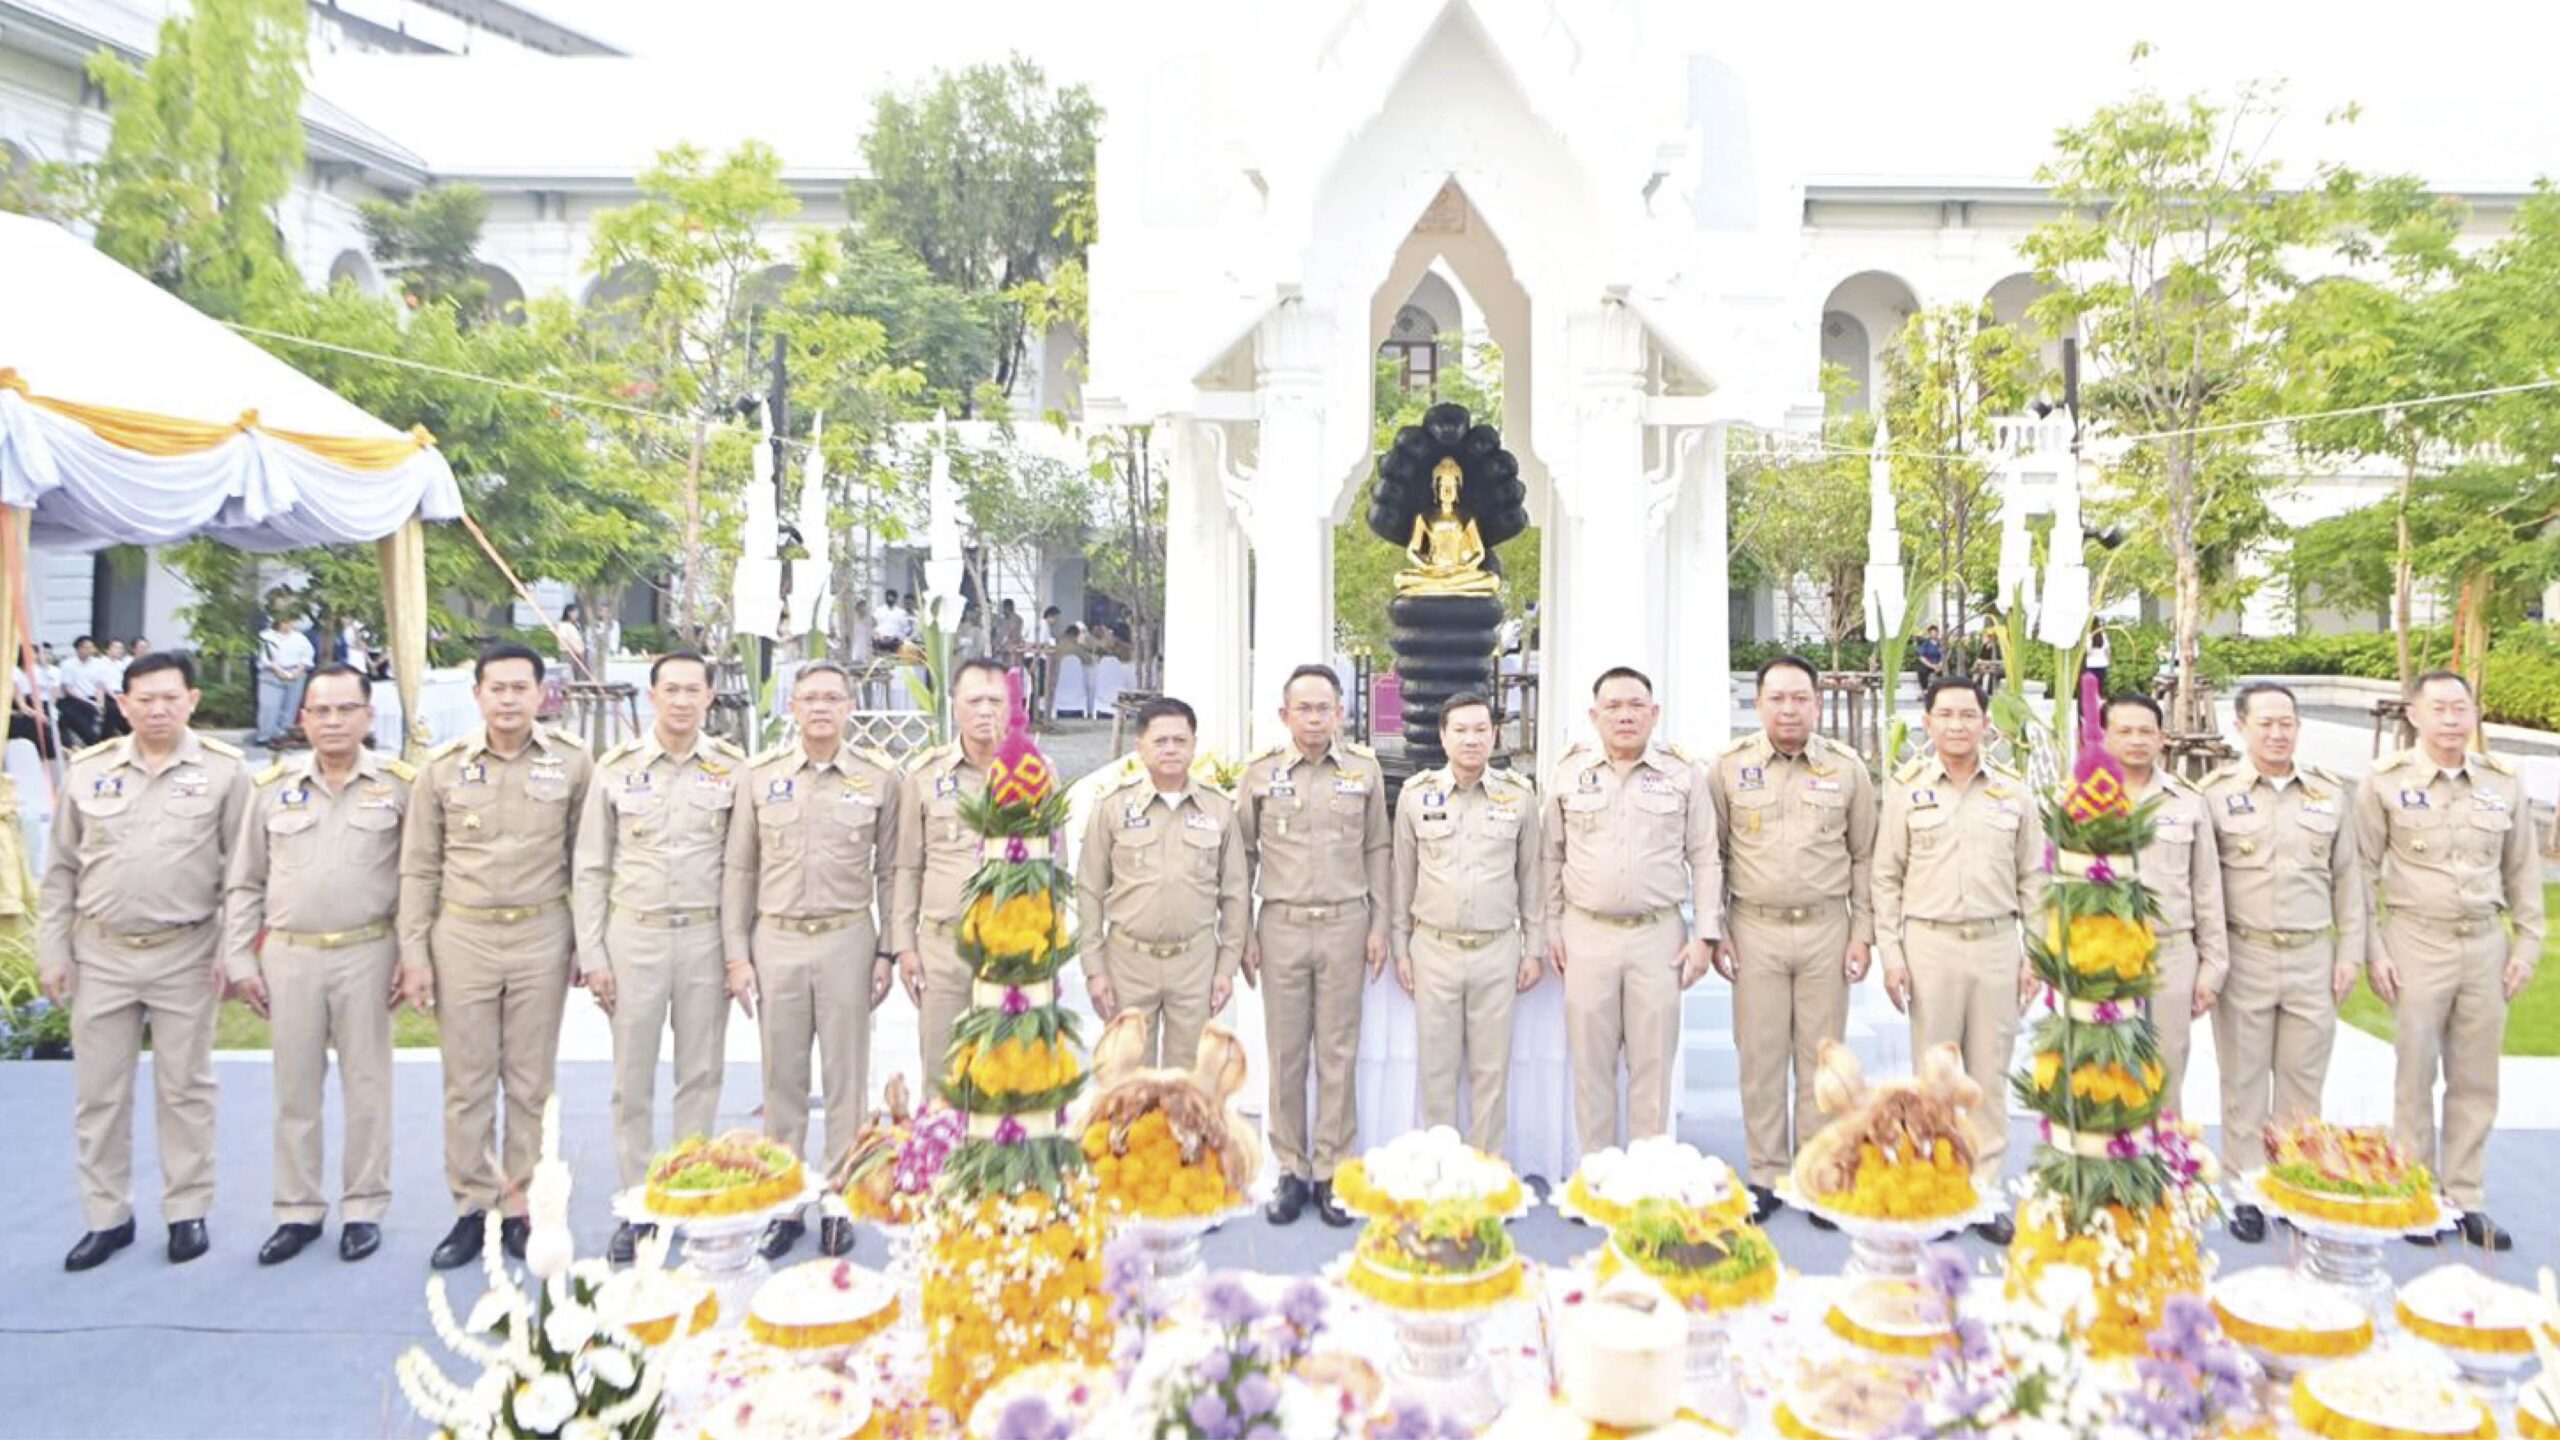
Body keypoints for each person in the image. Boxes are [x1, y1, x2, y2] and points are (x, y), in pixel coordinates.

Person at [40, 652, 249, 1270]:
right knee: (99, 1094)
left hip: (185, 952)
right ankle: (107, 1217)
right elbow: (59, 874)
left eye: (170, 697)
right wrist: (54, 952)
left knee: (186, 1089)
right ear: (123, 703)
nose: (158, 709)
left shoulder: (224, 773)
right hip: (100, 953)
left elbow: (242, 874)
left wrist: (233, 953)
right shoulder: (88, 771)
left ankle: (187, 1211)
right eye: (144, 699)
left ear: (192, 700)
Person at [398, 642, 595, 1271]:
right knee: (468, 1082)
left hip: (541, 932)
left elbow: (585, 862)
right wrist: (415, 953)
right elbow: (419, 866)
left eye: (520, 688)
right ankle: (470, 1209)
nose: (509, 699)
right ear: (477, 694)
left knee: (531, 1081)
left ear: (542, 694)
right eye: (497, 688)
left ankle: (519, 1209)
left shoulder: (571, 763)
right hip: (464, 936)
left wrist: (584, 946)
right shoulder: (443, 768)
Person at [220, 664, 409, 1266]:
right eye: (320, 711)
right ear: (302, 717)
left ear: (367, 716)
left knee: (368, 1087)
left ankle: (363, 1208)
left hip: (368, 951)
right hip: (291, 956)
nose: (332, 721)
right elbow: (244, 880)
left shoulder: (399, 787)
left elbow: (417, 879)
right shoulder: (271, 788)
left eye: (344, 709)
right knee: (294, 1090)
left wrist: (413, 953)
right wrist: (238, 956)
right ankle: (297, 1210)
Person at [2355, 670, 2542, 1251]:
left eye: (2461, 707)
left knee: (2476, 1077)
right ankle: (2416, 1194)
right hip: (2416, 940)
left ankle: (2465, 1199)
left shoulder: (2502, 783)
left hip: (2485, 943)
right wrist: (2373, 948)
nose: (2452, 719)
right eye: (2439, 708)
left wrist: (2528, 942)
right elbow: (2359, 871)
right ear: (2414, 714)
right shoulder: (2383, 783)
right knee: (2415, 1072)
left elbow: (2522, 870)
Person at [724, 661, 900, 1259]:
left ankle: (838, 1200)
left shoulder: (879, 779)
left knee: (847, 1078)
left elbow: (893, 869)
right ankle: (787, 1201)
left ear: (849, 707)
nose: (821, 708)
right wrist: (736, 953)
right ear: (793, 709)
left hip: (848, 937)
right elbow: (740, 869)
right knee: (783, 1078)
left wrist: (888, 949)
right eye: (810, 699)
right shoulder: (760, 778)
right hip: (776, 939)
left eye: (832, 698)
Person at [574, 651, 746, 1264]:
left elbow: (741, 869)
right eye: (669, 689)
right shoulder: (615, 770)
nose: (680, 701)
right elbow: (591, 866)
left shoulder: (732, 771)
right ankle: (639, 1203)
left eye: (691, 690)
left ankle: (688, 1191)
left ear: (708, 698)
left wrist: (737, 953)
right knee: (632, 1079)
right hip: (635, 939)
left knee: (701, 1075)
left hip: (704, 938)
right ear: (652, 698)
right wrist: (592, 952)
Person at [1872, 675, 2044, 1244]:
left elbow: (2034, 879)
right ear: (1927, 723)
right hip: (1931, 945)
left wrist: (2035, 954)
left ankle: (1985, 1190)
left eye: (1968, 714)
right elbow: (1885, 877)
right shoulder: (1906, 789)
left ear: (1985, 723)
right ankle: (1939, 1183)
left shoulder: (2014, 793)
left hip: (1997, 944)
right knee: (1935, 1078)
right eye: (1944, 715)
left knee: (1989, 1075)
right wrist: (1892, 955)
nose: (1956, 725)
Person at [1709, 655, 1877, 1223]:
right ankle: (1765, 1173)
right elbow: (1716, 856)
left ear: (1817, 703)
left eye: (1799, 698)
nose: (1788, 708)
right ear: (1757, 704)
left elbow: (1864, 857)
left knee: (1823, 1059)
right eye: (1777, 698)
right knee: (1759, 1056)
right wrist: (1717, 928)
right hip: (1754, 929)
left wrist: (1863, 933)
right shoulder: (1729, 768)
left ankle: (1816, 1171)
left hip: (1827, 929)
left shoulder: (1847, 769)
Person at [2199, 681, 2365, 1245]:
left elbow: (2351, 881)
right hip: (2244, 954)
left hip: (2310, 956)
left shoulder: (2330, 794)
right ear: (2240, 727)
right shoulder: (2214, 794)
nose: (2277, 732)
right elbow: (2203, 886)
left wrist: (2350, 953)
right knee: (2242, 1080)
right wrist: (2210, 960)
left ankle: (2293, 1180)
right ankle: (2246, 1189)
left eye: (2286, 722)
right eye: (2265, 723)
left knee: (2302, 1081)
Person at [1542, 666, 1721, 1157]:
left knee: (1653, 1063)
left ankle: (1647, 1176)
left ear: (1654, 713)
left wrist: (1705, 934)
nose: (1625, 716)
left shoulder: (1684, 773)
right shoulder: (1568, 772)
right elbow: (1550, 856)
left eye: (1636, 706)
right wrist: (1551, 927)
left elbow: (1705, 855)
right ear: (1594, 715)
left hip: (1657, 937)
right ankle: (1597, 1173)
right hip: (1587, 934)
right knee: (1591, 1064)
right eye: (1614, 707)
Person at [1237, 664, 1391, 1227]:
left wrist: (1380, 925)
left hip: (1346, 924)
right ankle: (1290, 1169)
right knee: (1286, 1053)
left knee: (1338, 1051)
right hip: (1281, 925)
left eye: (1324, 707)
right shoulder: (1259, 775)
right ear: (1285, 715)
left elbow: (1379, 848)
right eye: (1303, 708)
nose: (1314, 717)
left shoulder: (1363, 773)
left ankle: (1332, 1170)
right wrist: (1243, 932)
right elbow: (1242, 858)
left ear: (1340, 713)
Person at [1391, 692, 1540, 1155]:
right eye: (1461, 730)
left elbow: (1532, 874)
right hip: (1433, 948)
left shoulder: (1519, 796)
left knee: (1491, 1070)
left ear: (1494, 734)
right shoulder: (1416, 796)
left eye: (1481, 729)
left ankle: (1486, 1172)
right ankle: (1442, 1171)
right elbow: (1401, 876)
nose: (1471, 739)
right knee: (1436, 1069)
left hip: (1497, 949)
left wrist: (1534, 946)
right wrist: (1401, 947)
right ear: (1442, 736)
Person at [1077, 696, 1249, 1070]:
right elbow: (1088, 889)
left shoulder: (1218, 809)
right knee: (1129, 1082)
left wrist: (1226, 967)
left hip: (1195, 963)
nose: (1171, 749)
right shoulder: (1112, 807)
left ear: (1193, 744)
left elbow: (1235, 894)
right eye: (1160, 741)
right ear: (1140, 747)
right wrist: (1094, 967)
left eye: (1180, 740)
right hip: (1128, 962)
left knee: (1187, 1084)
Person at [2098, 693, 2227, 1116]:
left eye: (2146, 731)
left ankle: (2165, 1176)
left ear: (2163, 738)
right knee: (2101, 1078)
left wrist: (2212, 966)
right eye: (2125, 731)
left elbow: (2206, 887)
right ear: (2103, 737)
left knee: (2165, 1077)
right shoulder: (2080, 802)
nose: (2136, 740)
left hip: (2170, 955)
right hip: (2101, 956)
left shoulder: (2187, 802)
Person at [890, 658, 1007, 1079]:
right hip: (942, 948)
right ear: (954, 706)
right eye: (974, 700)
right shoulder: (924, 776)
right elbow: (906, 865)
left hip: (1009, 951)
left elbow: (1054, 865)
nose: (985, 711)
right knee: (943, 1075)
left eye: (996, 700)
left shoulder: (1034, 774)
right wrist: (904, 945)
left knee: (1007, 1077)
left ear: (1012, 706)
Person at [256, 613, 316, 748]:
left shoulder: (300, 638)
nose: (289, 624)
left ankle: (283, 736)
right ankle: (265, 736)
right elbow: (264, 658)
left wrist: (297, 671)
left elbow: (307, 656)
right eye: (286, 621)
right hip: (272, 673)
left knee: (289, 708)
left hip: (296, 673)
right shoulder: (266, 636)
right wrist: (279, 671)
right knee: (269, 706)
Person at [56, 634, 105, 748]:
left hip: (92, 699)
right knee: (80, 721)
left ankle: (96, 743)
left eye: (92, 647)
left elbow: (99, 686)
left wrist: (100, 704)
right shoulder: (68, 664)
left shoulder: (98, 664)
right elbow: (68, 688)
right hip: (74, 699)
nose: (90, 650)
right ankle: (92, 744)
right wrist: (89, 702)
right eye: (87, 647)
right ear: (79, 649)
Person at [2083, 623, 2112, 698]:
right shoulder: (2103, 635)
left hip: (2090, 665)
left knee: (2091, 689)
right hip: (2102, 664)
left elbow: (2088, 651)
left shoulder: (2088, 636)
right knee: (2099, 689)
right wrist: (2109, 661)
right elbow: (2107, 650)